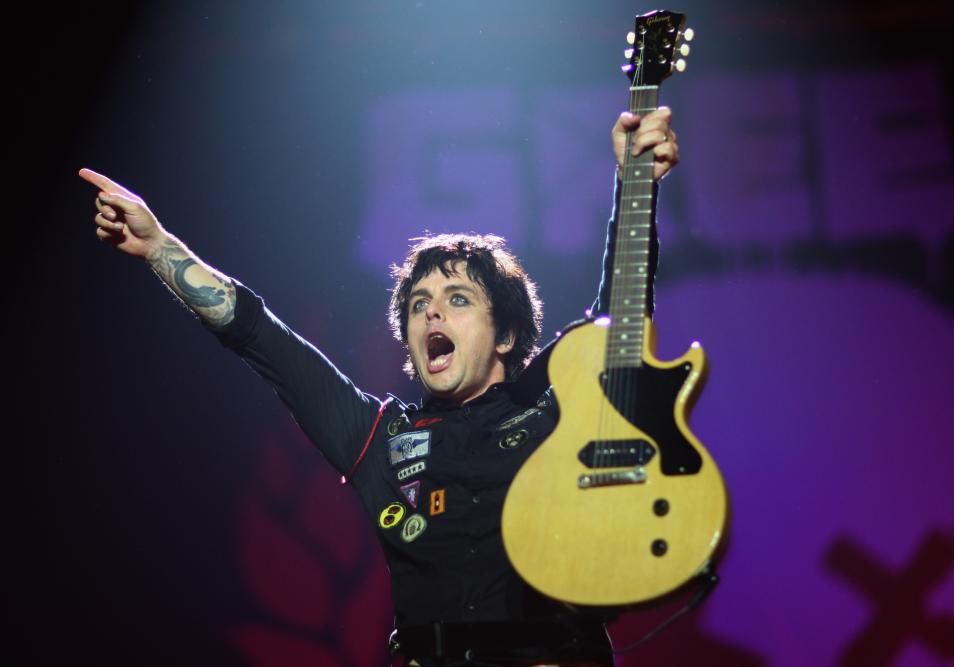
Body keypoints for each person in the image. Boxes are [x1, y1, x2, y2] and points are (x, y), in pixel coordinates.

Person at [80, 108, 679, 667]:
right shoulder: (378, 438)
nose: (432, 313)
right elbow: (263, 338)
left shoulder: (557, 405)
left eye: (458, 299)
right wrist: (159, 248)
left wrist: (636, 185)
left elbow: (618, 319)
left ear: (506, 336)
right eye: (419, 304)